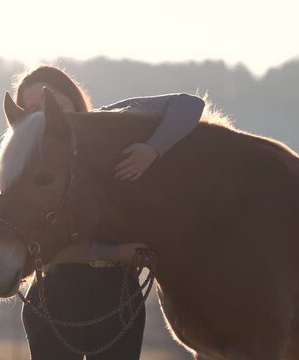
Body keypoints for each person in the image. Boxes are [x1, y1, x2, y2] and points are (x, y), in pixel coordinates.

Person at [14, 65, 205, 360]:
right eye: (33, 109)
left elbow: (190, 105)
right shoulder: (37, 160)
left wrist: (152, 150)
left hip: (118, 298)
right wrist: (114, 254)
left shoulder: (114, 119)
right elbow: (40, 243)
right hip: (58, 295)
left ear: (68, 93)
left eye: (48, 98)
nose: (45, 110)